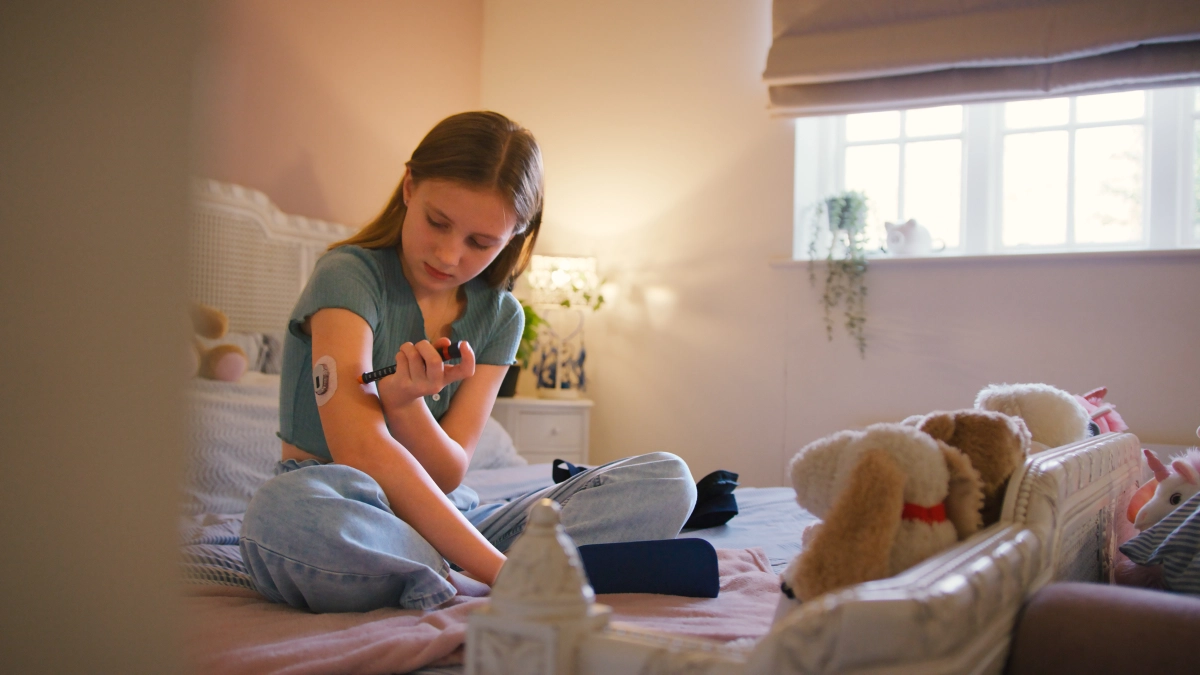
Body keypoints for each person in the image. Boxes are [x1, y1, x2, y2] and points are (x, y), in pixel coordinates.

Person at [239, 111, 697, 613]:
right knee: (280, 516)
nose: (449, 254)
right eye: (439, 222)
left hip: (446, 517)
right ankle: (496, 572)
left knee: (666, 478)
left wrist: (405, 405)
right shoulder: (349, 276)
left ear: (515, 236)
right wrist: (504, 572)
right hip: (343, 503)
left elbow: (450, 473)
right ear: (410, 186)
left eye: (480, 242)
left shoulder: (501, 316)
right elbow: (359, 450)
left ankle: (438, 570)